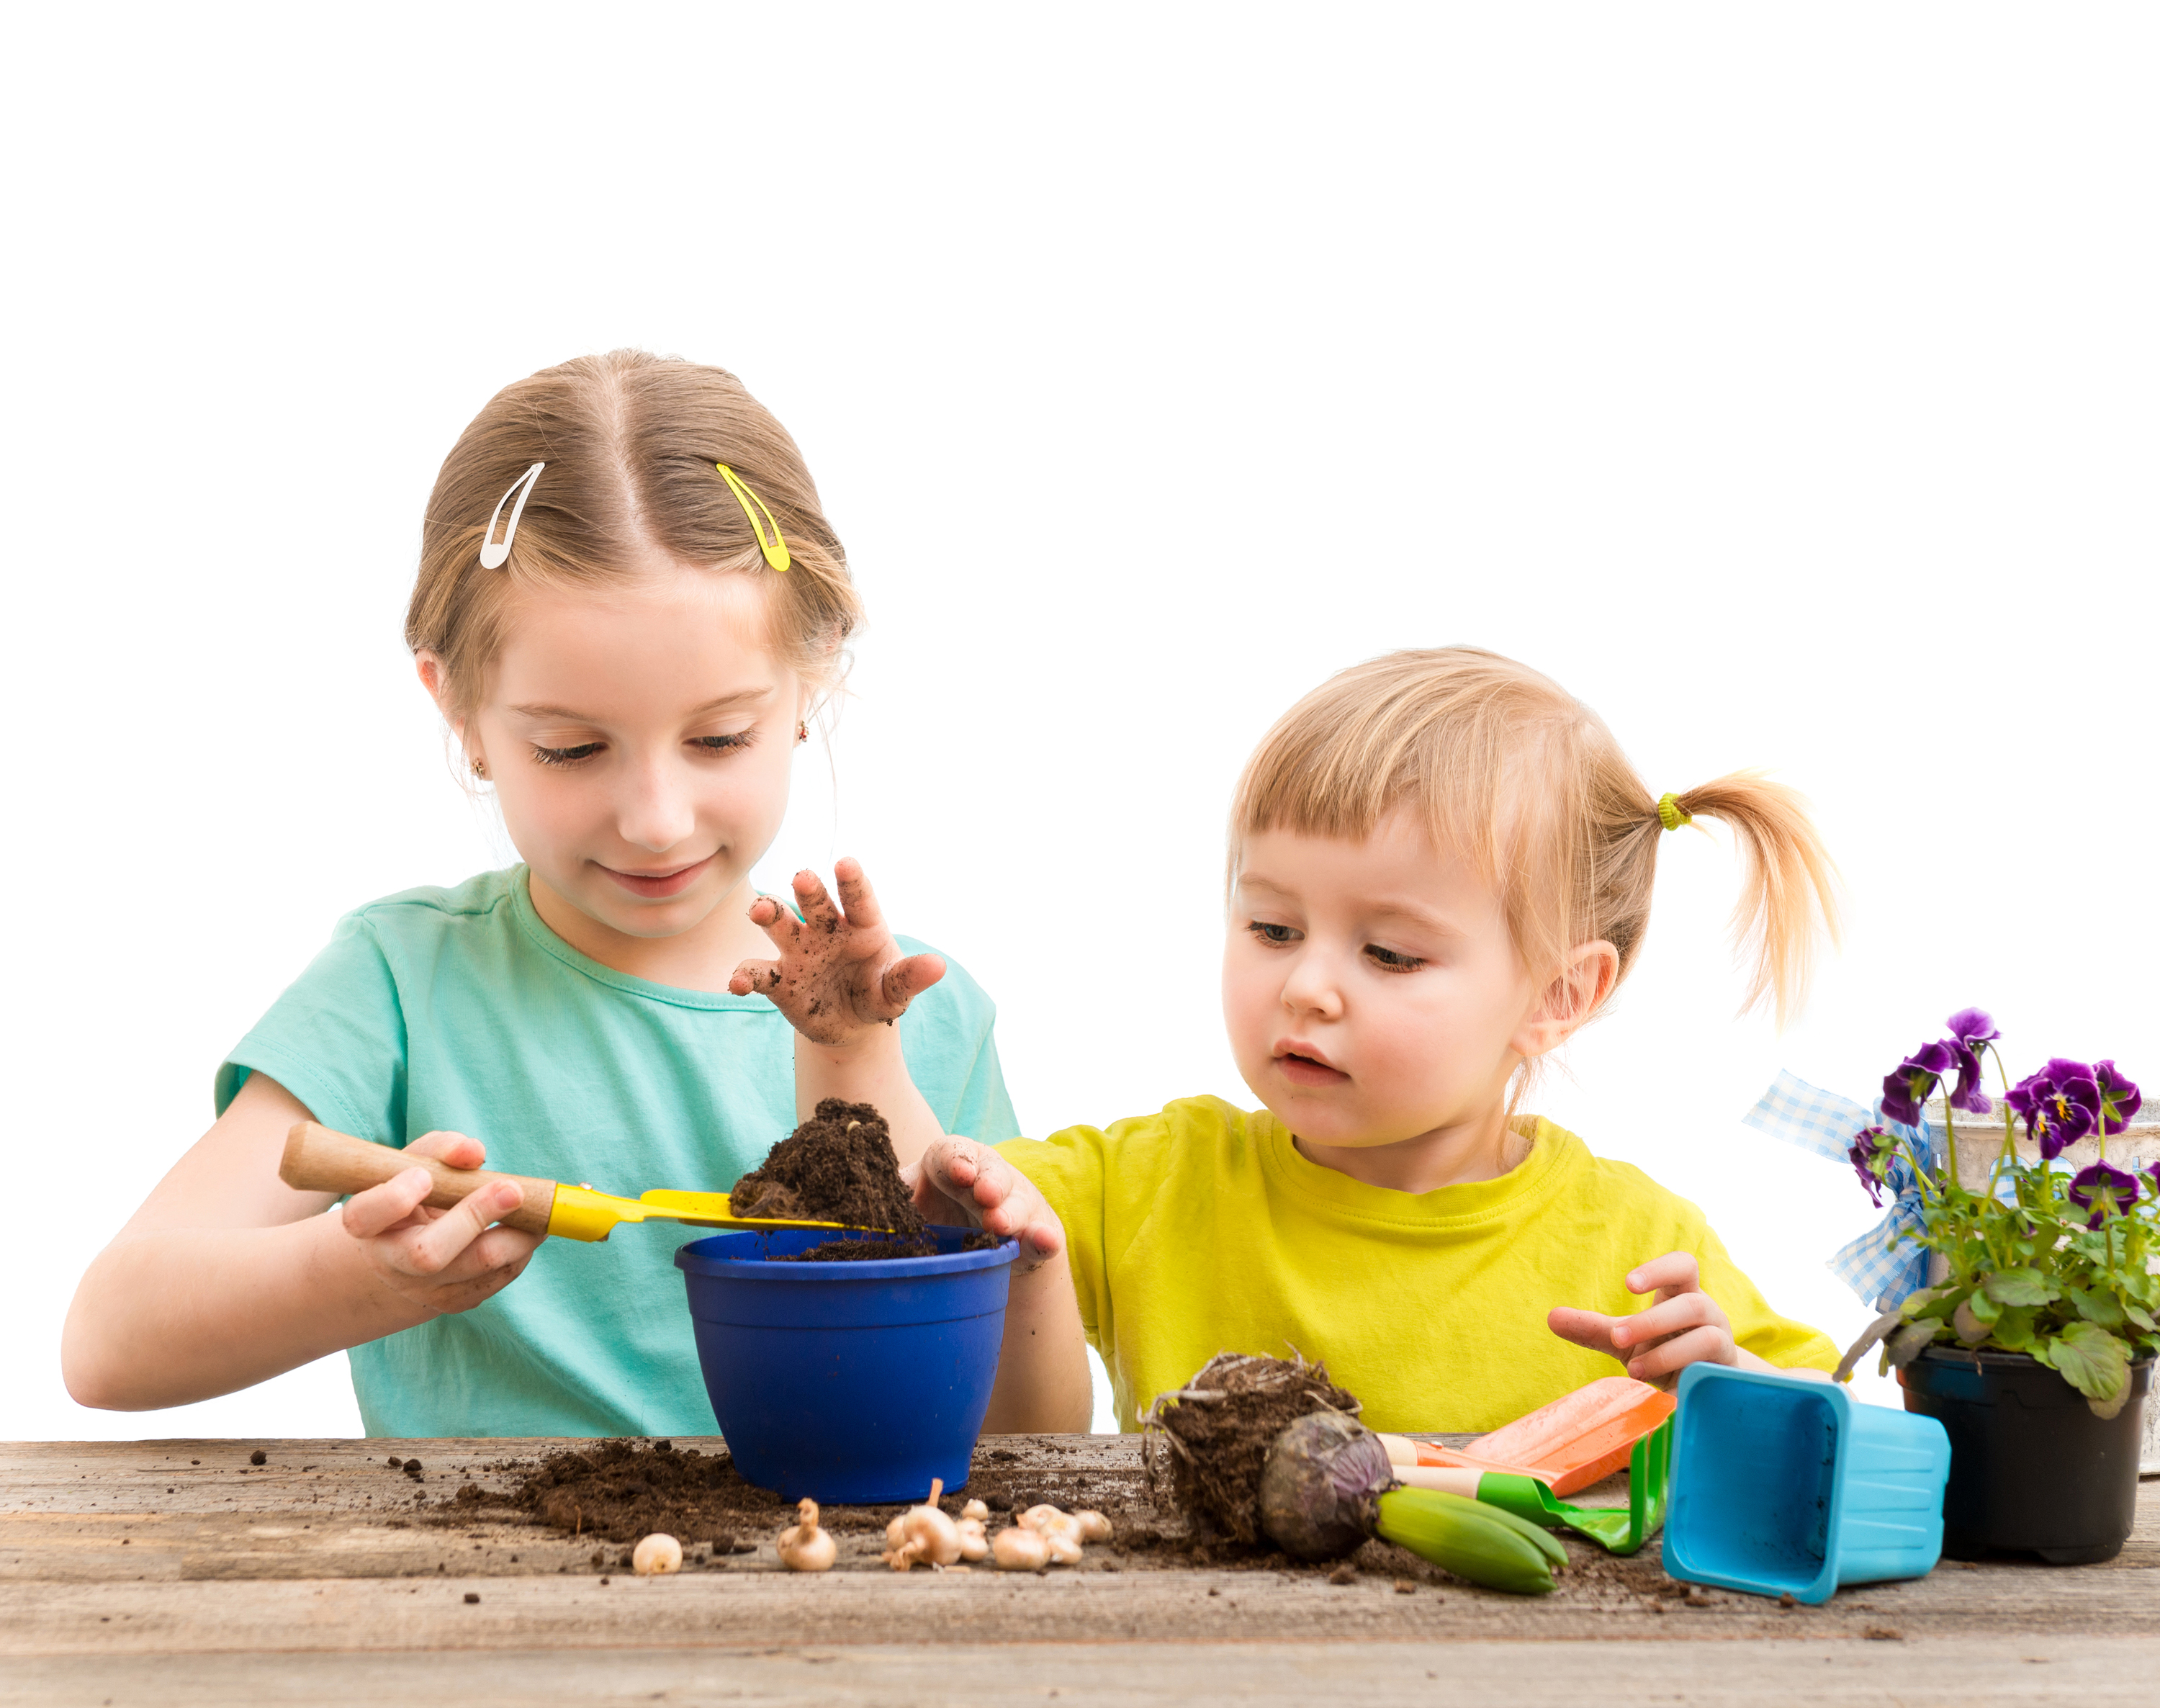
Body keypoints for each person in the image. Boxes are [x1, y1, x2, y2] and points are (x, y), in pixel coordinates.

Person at [62, 351, 1020, 1437]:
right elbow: (107, 1341)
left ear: (813, 676)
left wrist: (857, 1063)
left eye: (719, 737)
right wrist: (360, 1279)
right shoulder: (402, 987)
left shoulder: (928, 1016)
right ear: (458, 705)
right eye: (571, 748)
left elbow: (1027, 1421)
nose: (656, 818)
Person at [899, 647, 1845, 1433]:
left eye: (1389, 953)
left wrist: (1728, 1385)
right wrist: (922, 1127)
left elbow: (1830, 1424)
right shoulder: (1149, 1184)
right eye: (1273, 928)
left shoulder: (1638, 1254)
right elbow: (908, 1228)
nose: (1307, 987)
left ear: (1557, 995)